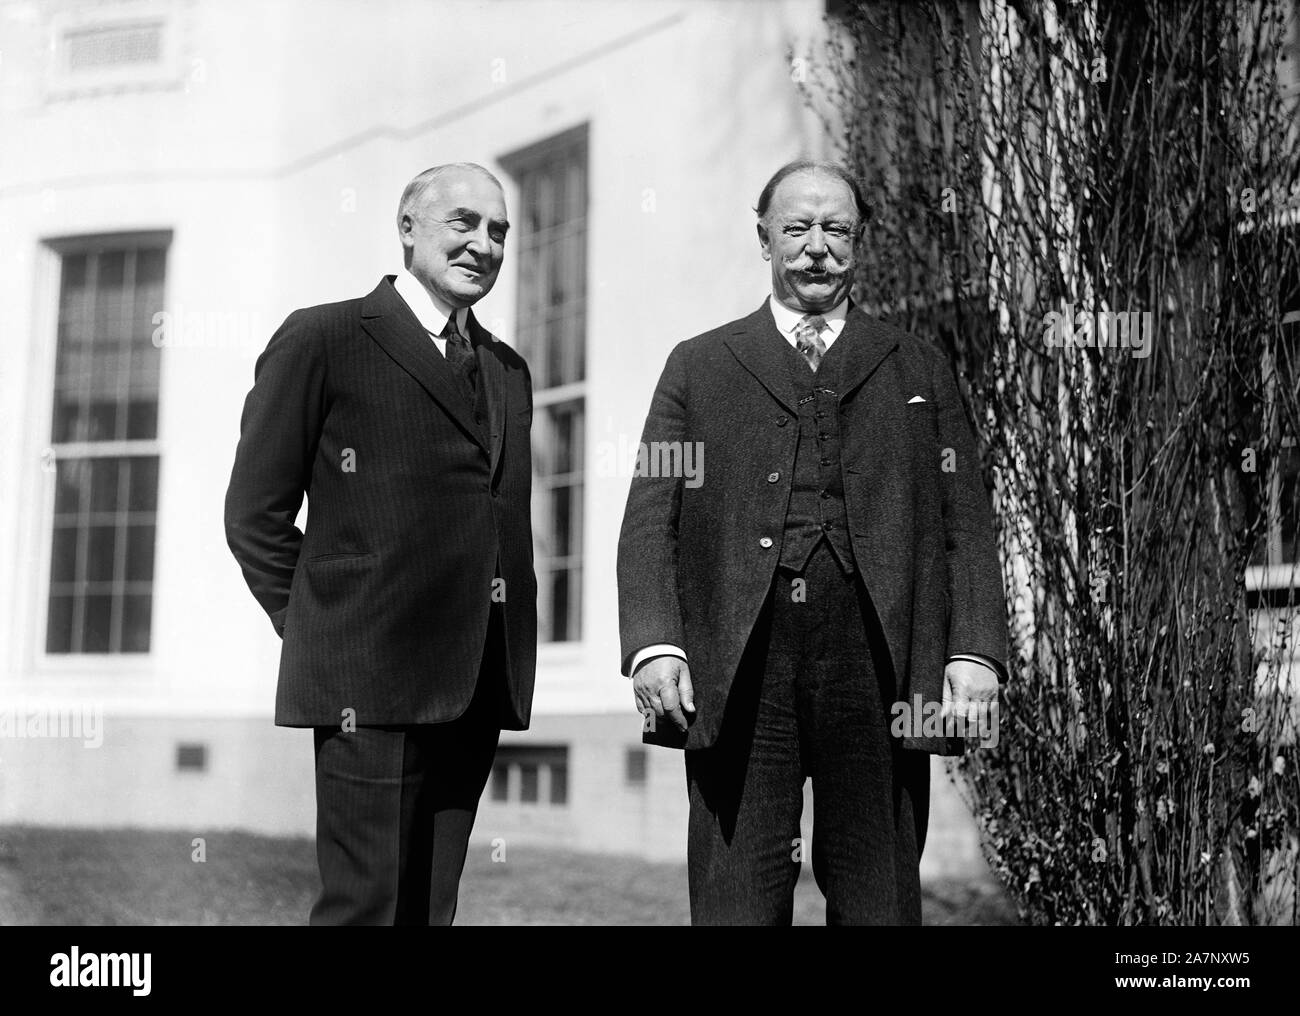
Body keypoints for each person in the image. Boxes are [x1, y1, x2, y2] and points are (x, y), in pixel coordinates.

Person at [617, 160, 1008, 925]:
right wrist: (655, 643)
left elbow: (967, 520)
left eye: (836, 230)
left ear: (859, 244)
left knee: (879, 900)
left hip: (881, 661)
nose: (816, 247)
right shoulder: (698, 366)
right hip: (739, 661)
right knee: (736, 898)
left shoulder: (917, 365)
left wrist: (975, 651)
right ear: (762, 236)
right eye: (796, 228)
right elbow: (648, 518)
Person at [224, 163, 536, 925]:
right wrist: (323, 628)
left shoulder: (507, 370)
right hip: (366, 679)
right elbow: (255, 515)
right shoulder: (325, 337)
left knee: (430, 910)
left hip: (475, 679)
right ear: (407, 229)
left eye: (498, 231)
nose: (484, 244)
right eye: (463, 222)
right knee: (365, 909)